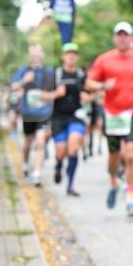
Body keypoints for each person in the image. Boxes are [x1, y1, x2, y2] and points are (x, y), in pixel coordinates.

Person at [86, 22, 133, 218]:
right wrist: (103, 85)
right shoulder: (104, 60)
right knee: (114, 157)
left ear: (131, 38)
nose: (122, 38)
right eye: (119, 35)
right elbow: (88, 83)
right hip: (113, 114)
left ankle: (131, 197)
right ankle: (114, 181)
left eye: (126, 35)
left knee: (131, 155)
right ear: (114, 38)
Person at [40, 42, 91, 196]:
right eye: (68, 54)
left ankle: (70, 185)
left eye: (74, 54)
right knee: (61, 151)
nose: (71, 57)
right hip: (58, 118)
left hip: (75, 116)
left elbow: (90, 92)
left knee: (74, 148)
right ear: (63, 57)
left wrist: (86, 97)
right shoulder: (55, 75)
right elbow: (42, 95)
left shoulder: (81, 75)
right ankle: (59, 164)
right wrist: (56, 94)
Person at [10, 43, 55, 187]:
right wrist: (24, 81)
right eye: (33, 53)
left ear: (43, 55)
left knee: (40, 142)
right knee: (28, 142)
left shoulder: (49, 72)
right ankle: (25, 162)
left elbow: (56, 90)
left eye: (38, 52)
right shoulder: (23, 71)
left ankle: (37, 174)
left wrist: (49, 96)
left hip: (43, 113)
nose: (35, 55)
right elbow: (13, 87)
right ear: (29, 56)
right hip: (28, 114)